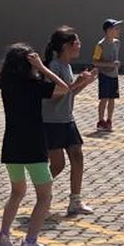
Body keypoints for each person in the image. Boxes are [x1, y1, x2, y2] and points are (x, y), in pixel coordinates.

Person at [0, 44, 89, 246]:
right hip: (33, 146)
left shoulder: (7, 85)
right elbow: (63, 88)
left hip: (11, 146)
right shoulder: (33, 85)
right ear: (28, 64)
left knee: (17, 192)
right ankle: (30, 243)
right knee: (45, 196)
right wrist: (43, 69)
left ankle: (3, 237)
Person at [43, 27, 97, 217]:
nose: (79, 45)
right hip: (52, 122)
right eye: (76, 42)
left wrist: (84, 83)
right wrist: (77, 82)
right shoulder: (54, 66)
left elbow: (69, 94)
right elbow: (53, 95)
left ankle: (75, 201)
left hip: (67, 119)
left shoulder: (66, 65)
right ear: (66, 46)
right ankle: (43, 195)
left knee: (77, 156)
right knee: (58, 165)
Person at [93, 19, 123, 132]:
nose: (118, 30)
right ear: (109, 30)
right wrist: (109, 64)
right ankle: (101, 121)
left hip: (114, 75)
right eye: (116, 28)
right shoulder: (100, 45)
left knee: (112, 98)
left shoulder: (117, 43)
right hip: (104, 75)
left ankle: (109, 120)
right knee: (104, 98)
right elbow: (95, 62)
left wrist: (116, 65)